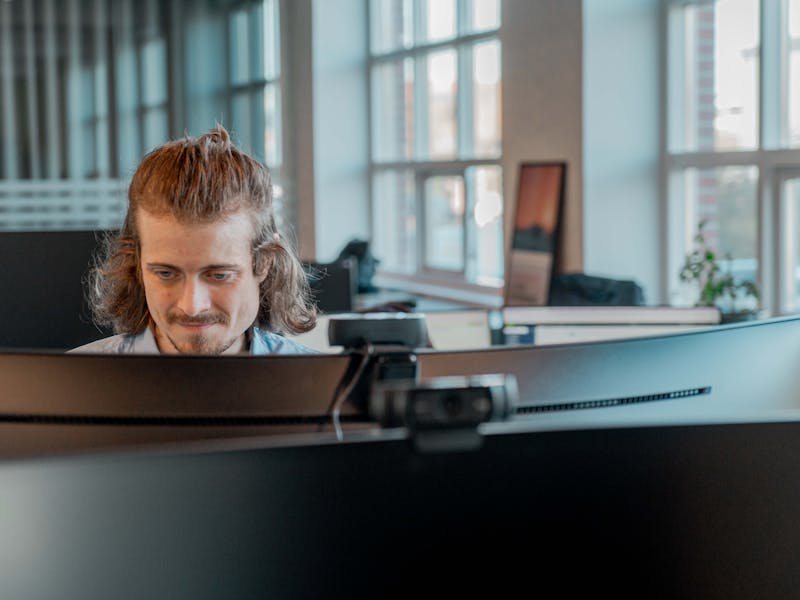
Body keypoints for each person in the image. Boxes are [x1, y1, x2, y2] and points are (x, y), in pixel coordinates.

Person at [71, 126, 317, 355]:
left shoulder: (330, 390)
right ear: (137, 263)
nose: (191, 307)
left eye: (219, 275)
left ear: (265, 263)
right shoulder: (68, 390)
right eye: (166, 274)